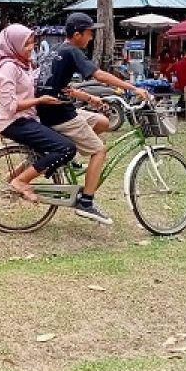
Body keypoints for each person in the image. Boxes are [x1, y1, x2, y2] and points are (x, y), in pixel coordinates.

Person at [37, 12, 153, 225]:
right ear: (77, 34)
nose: (91, 38)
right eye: (89, 33)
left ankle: (69, 159)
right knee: (99, 150)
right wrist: (133, 88)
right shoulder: (72, 51)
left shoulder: (55, 50)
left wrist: (88, 97)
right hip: (60, 114)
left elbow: (59, 85)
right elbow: (99, 75)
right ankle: (86, 201)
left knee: (102, 122)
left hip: (51, 110)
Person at [0, 24, 76, 202]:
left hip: (27, 118)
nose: (31, 48)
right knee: (66, 148)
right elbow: (9, 106)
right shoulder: (8, 68)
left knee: (61, 139)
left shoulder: (23, 64)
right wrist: (40, 101)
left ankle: (14, 178)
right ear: (13, 44)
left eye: (32, 43)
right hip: (13, 122)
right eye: (26, 44)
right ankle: (20, 181)